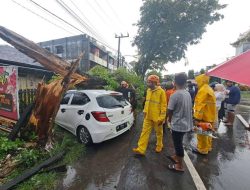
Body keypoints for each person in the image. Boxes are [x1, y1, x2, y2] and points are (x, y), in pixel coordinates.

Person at [133, 75, 166, 155]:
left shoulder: (161, 92)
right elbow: (147, 102)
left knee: (159, 133)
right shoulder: (148, 90)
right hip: (148, 116)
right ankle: (141, 149)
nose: (147, 83)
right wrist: (144, 111)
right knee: (144, 132)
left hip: (157, 117)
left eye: (149, 82)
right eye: (148, 81)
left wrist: (161, 118)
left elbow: (164, 106)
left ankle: (159, 145)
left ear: (154, 82)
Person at [167, 73, 193, 172]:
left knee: (178, 145)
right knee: (179, 141)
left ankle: (180, 166)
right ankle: (176, 157)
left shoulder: (175, 95)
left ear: (175, 82)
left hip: (178, 124)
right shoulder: (187, 93)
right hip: (186, 123)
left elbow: (170, 110)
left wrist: (169, 120)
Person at [192, 74, 216, 155]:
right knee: (208, 133)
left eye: (197, 81)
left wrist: (197, 118)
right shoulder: (209, 89)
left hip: (204, 117)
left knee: (202, 134)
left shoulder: (202, 90)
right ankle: (208, 147)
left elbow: (200, 105)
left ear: (201, 81)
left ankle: (202, 149)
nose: (196, 83)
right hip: (210, 116)